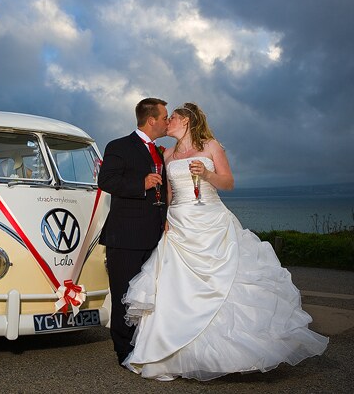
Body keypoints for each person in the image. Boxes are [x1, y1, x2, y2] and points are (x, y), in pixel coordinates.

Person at [122, 102, 329, 381]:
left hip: (212, 221)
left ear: (187, 122)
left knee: (224, 283)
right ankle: (173, 355)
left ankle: (226, 355)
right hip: (180, 225)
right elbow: (169, 192)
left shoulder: (211, 147)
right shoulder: (167, 154)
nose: (167, 121)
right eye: (167, 117)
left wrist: (206, 174)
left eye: (173, 118)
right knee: (175, 286)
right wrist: (167, 218)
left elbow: (229, 182)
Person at [98, 97, 169, 366]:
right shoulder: (119, 146)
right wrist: (141, 183)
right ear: (151, 120)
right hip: (125, 235)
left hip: (156, 236)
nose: (167, 122)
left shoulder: (161, 152)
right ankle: (124, 352)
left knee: (149, 295)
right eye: (164, 117)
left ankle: (146, 345)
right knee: (124, 294)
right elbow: (106, 180)